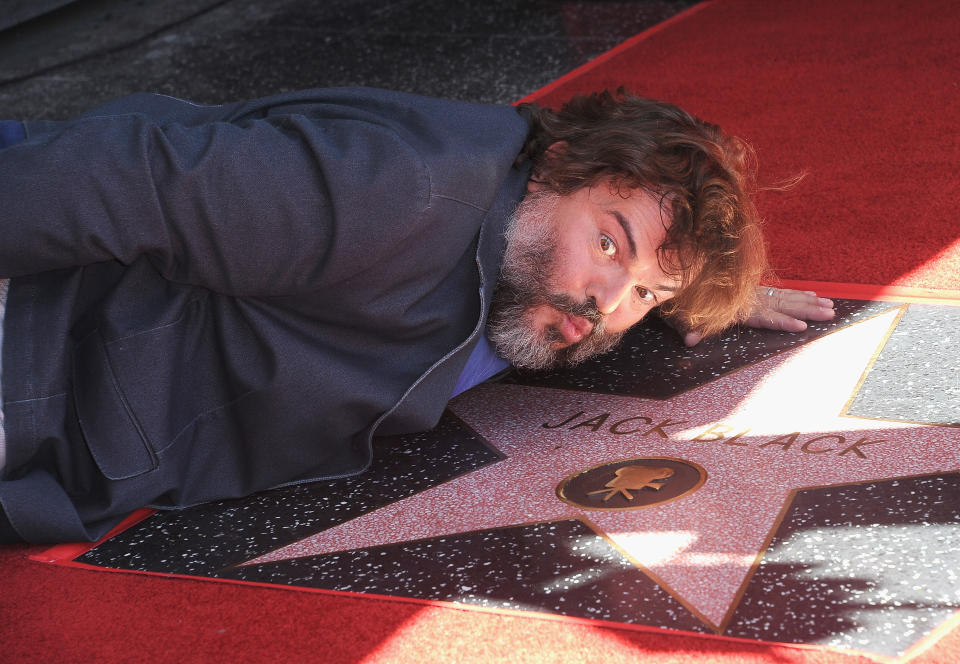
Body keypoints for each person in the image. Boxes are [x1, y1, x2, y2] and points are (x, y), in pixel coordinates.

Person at [0, 87, 833, 543]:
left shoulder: (543, 258)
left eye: (646, 294)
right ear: (557, 166)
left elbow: (613, 275)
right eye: (611, 247)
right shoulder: (397, 190)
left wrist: (684, 289)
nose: (610, 304)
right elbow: (123, 178)